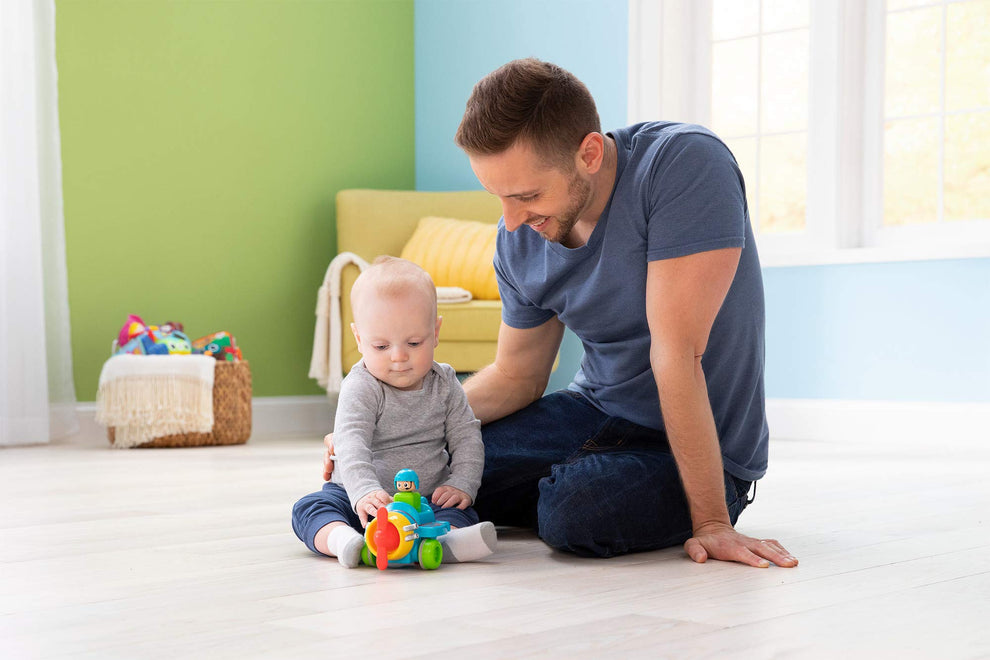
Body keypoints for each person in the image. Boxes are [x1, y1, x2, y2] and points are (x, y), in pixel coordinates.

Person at [327, 58, 797, 569]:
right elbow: (517, 376)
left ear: (588, 154)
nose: (511, 221)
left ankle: (583, 492)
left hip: (704, 446)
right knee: (435, 468)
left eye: (527, 195)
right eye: (498, 197)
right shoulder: (519, 238)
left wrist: (712, 524)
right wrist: (389, 430)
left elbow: (676, 354)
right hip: (592, 413)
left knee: (575, 514)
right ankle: (567, 487)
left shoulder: (685, 166)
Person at [294, 256, 496, 567]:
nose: (399, 357)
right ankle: (343, 540)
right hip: (363, 502)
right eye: (381, 347)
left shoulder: (445, 383)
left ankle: (445, 544)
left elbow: (467, 437)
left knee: (460, 512)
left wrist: (462, 483)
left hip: (426, 503)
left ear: (435, 332)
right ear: (359, 339)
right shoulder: (360, 386)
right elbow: (351, 443)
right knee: (311, 508)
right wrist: (364, 492)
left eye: (414, 343)